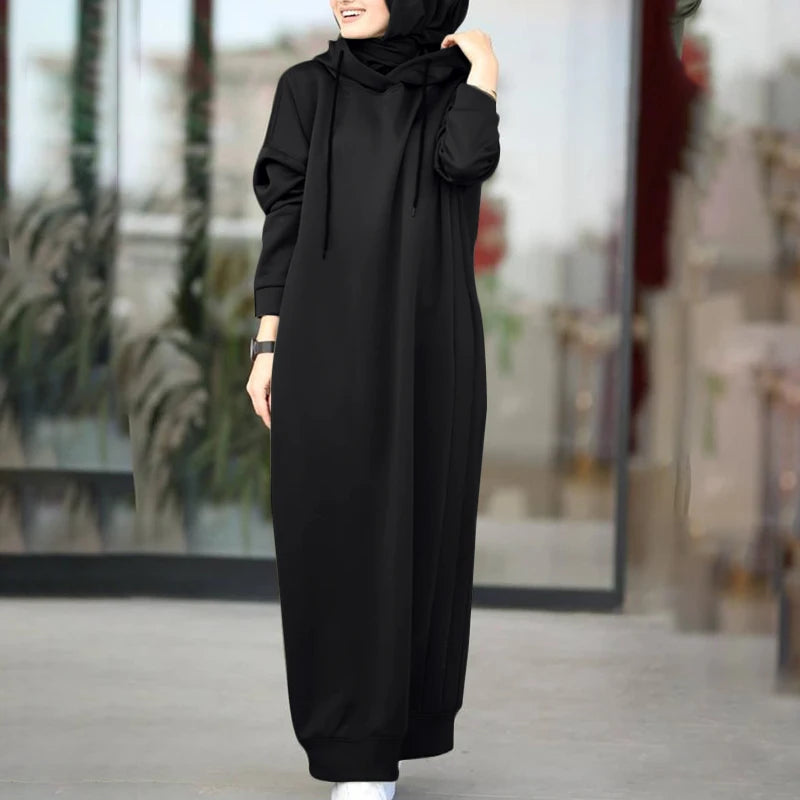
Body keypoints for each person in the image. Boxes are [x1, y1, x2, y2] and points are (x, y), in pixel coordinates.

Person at [245, 1, 500, 798]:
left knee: (417, 532)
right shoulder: (306, 88)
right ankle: (350, 746)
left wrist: (485, 76)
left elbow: (466, 163)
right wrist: (267, 343)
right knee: (329, 533)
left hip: (430, 344)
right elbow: (286, 214)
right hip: (324, 341)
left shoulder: (454, 85)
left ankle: (385, 745)